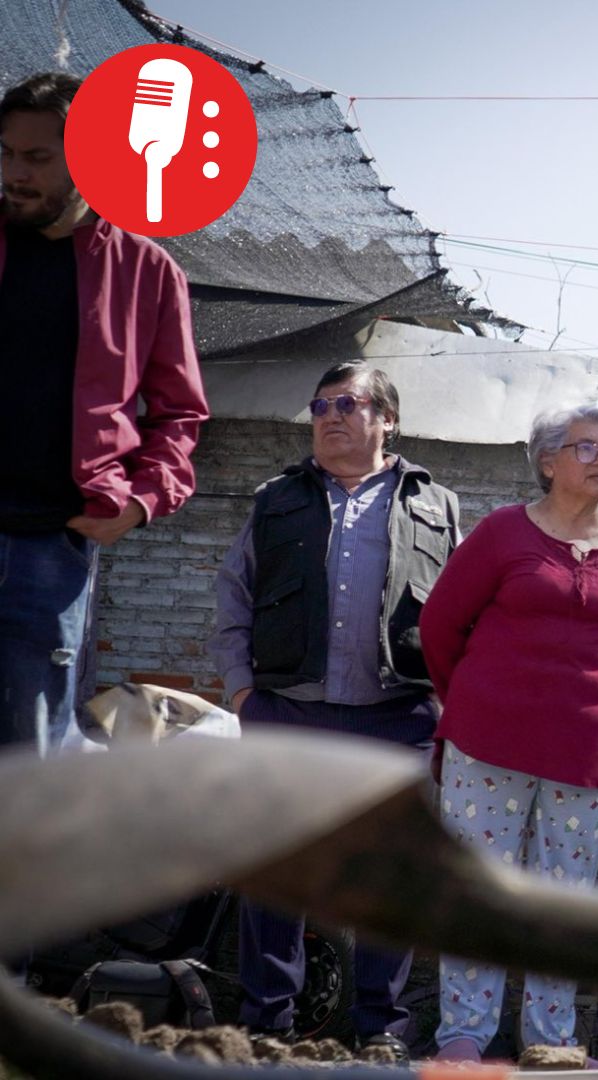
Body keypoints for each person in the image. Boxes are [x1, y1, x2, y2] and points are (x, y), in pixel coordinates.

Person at [209, 363, 458, 1056]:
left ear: (387, 419)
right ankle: (268, 1026)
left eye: (348, 404)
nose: (330, 417)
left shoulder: (436, 504)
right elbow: (234, 595)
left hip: (397, 717)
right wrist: (243, 692)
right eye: (320, 407)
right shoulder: (277, 498)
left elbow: (458, 612)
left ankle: (381, 1029)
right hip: (289, 712)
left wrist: (447, 702)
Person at [416, 405, 598, 1063]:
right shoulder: (502, 532)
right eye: (587, 447)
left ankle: (552, 1043)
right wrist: (472, 703)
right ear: (548, 461)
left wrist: (591, 710)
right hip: (487, 744)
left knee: (563, 900)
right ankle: (465, 1036)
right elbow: (439, 625)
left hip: (585, 756)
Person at [1, 72, 207, 755]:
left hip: (51, 549)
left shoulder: (148, 272)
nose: (14, 174)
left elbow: (180, 415)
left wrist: (141, 502)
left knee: (29, 759)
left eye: (37, 158)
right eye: (6, 153)